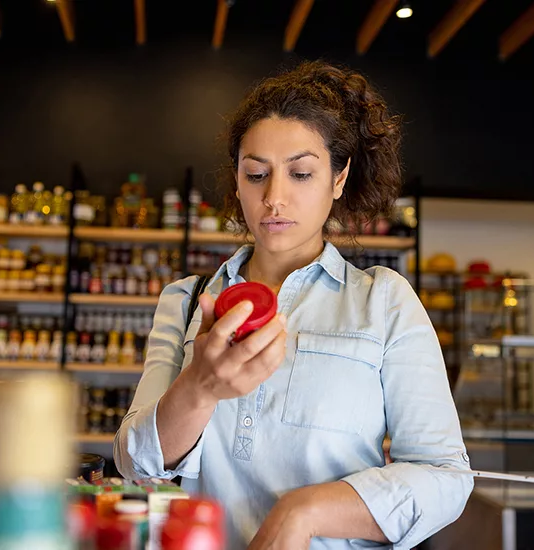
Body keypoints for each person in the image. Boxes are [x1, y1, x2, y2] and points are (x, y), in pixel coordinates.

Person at [115, 60, 472, 549]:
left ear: (339, 179)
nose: (274, 197)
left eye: (301, 173)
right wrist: (199, 387)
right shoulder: (187, 301)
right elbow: (135, 467)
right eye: (256, 173)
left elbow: (445, 477)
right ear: (237, 181)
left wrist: (303, 512)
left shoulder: (383, 301)